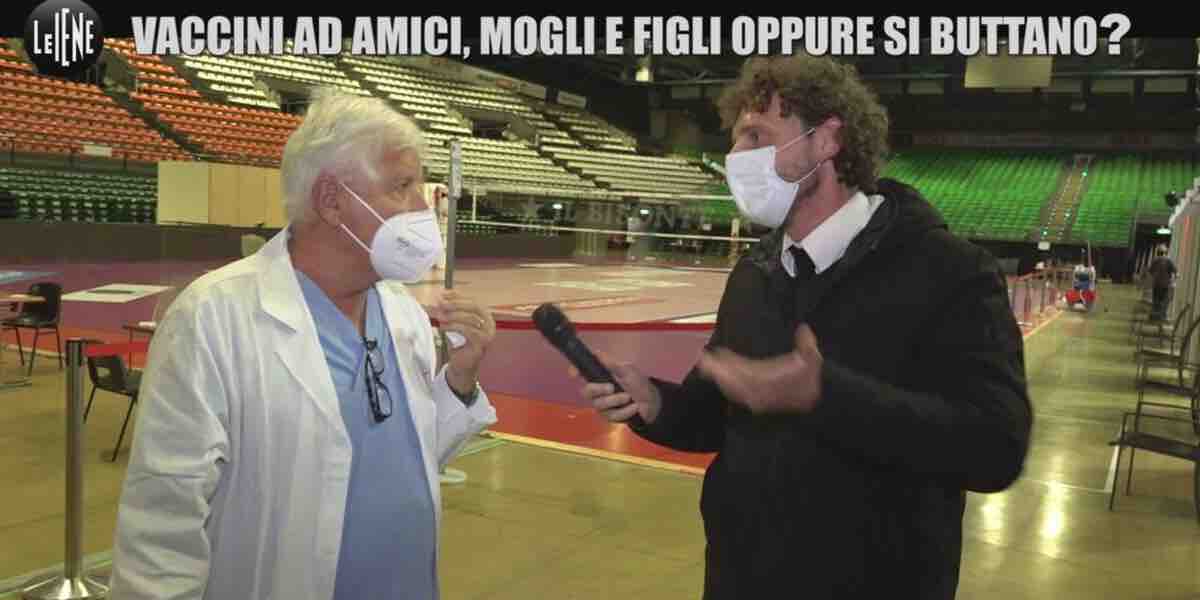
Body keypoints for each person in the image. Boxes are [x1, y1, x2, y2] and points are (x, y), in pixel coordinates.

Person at [578, 55, 1032, 599]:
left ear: (826, 140)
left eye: (756, 136)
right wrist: (652, 402)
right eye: (735, 140)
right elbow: (716, 418)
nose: (736, 157)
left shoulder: (949, 271)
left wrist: (825, 395)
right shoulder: (755, 273)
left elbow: (995, 447)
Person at [108, 88, 498, 600]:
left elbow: (408, 459)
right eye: (402, 186)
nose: (422, 209)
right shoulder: (213, 318)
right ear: (332, 200)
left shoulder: (401, 312)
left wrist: (460, 382)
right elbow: (161, 531)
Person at [1148, 248, 1176, 319]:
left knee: (1156, 299)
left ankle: (1155, 314)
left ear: (1158, 253)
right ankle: (1161, 315)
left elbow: (1150, 271)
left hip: (1157, 284)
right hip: (1166, 284)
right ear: (1166, 253)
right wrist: (1174, 278)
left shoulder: (1155, 261)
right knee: (1164, 300)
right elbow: (1175, 271)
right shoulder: (1169, 261)